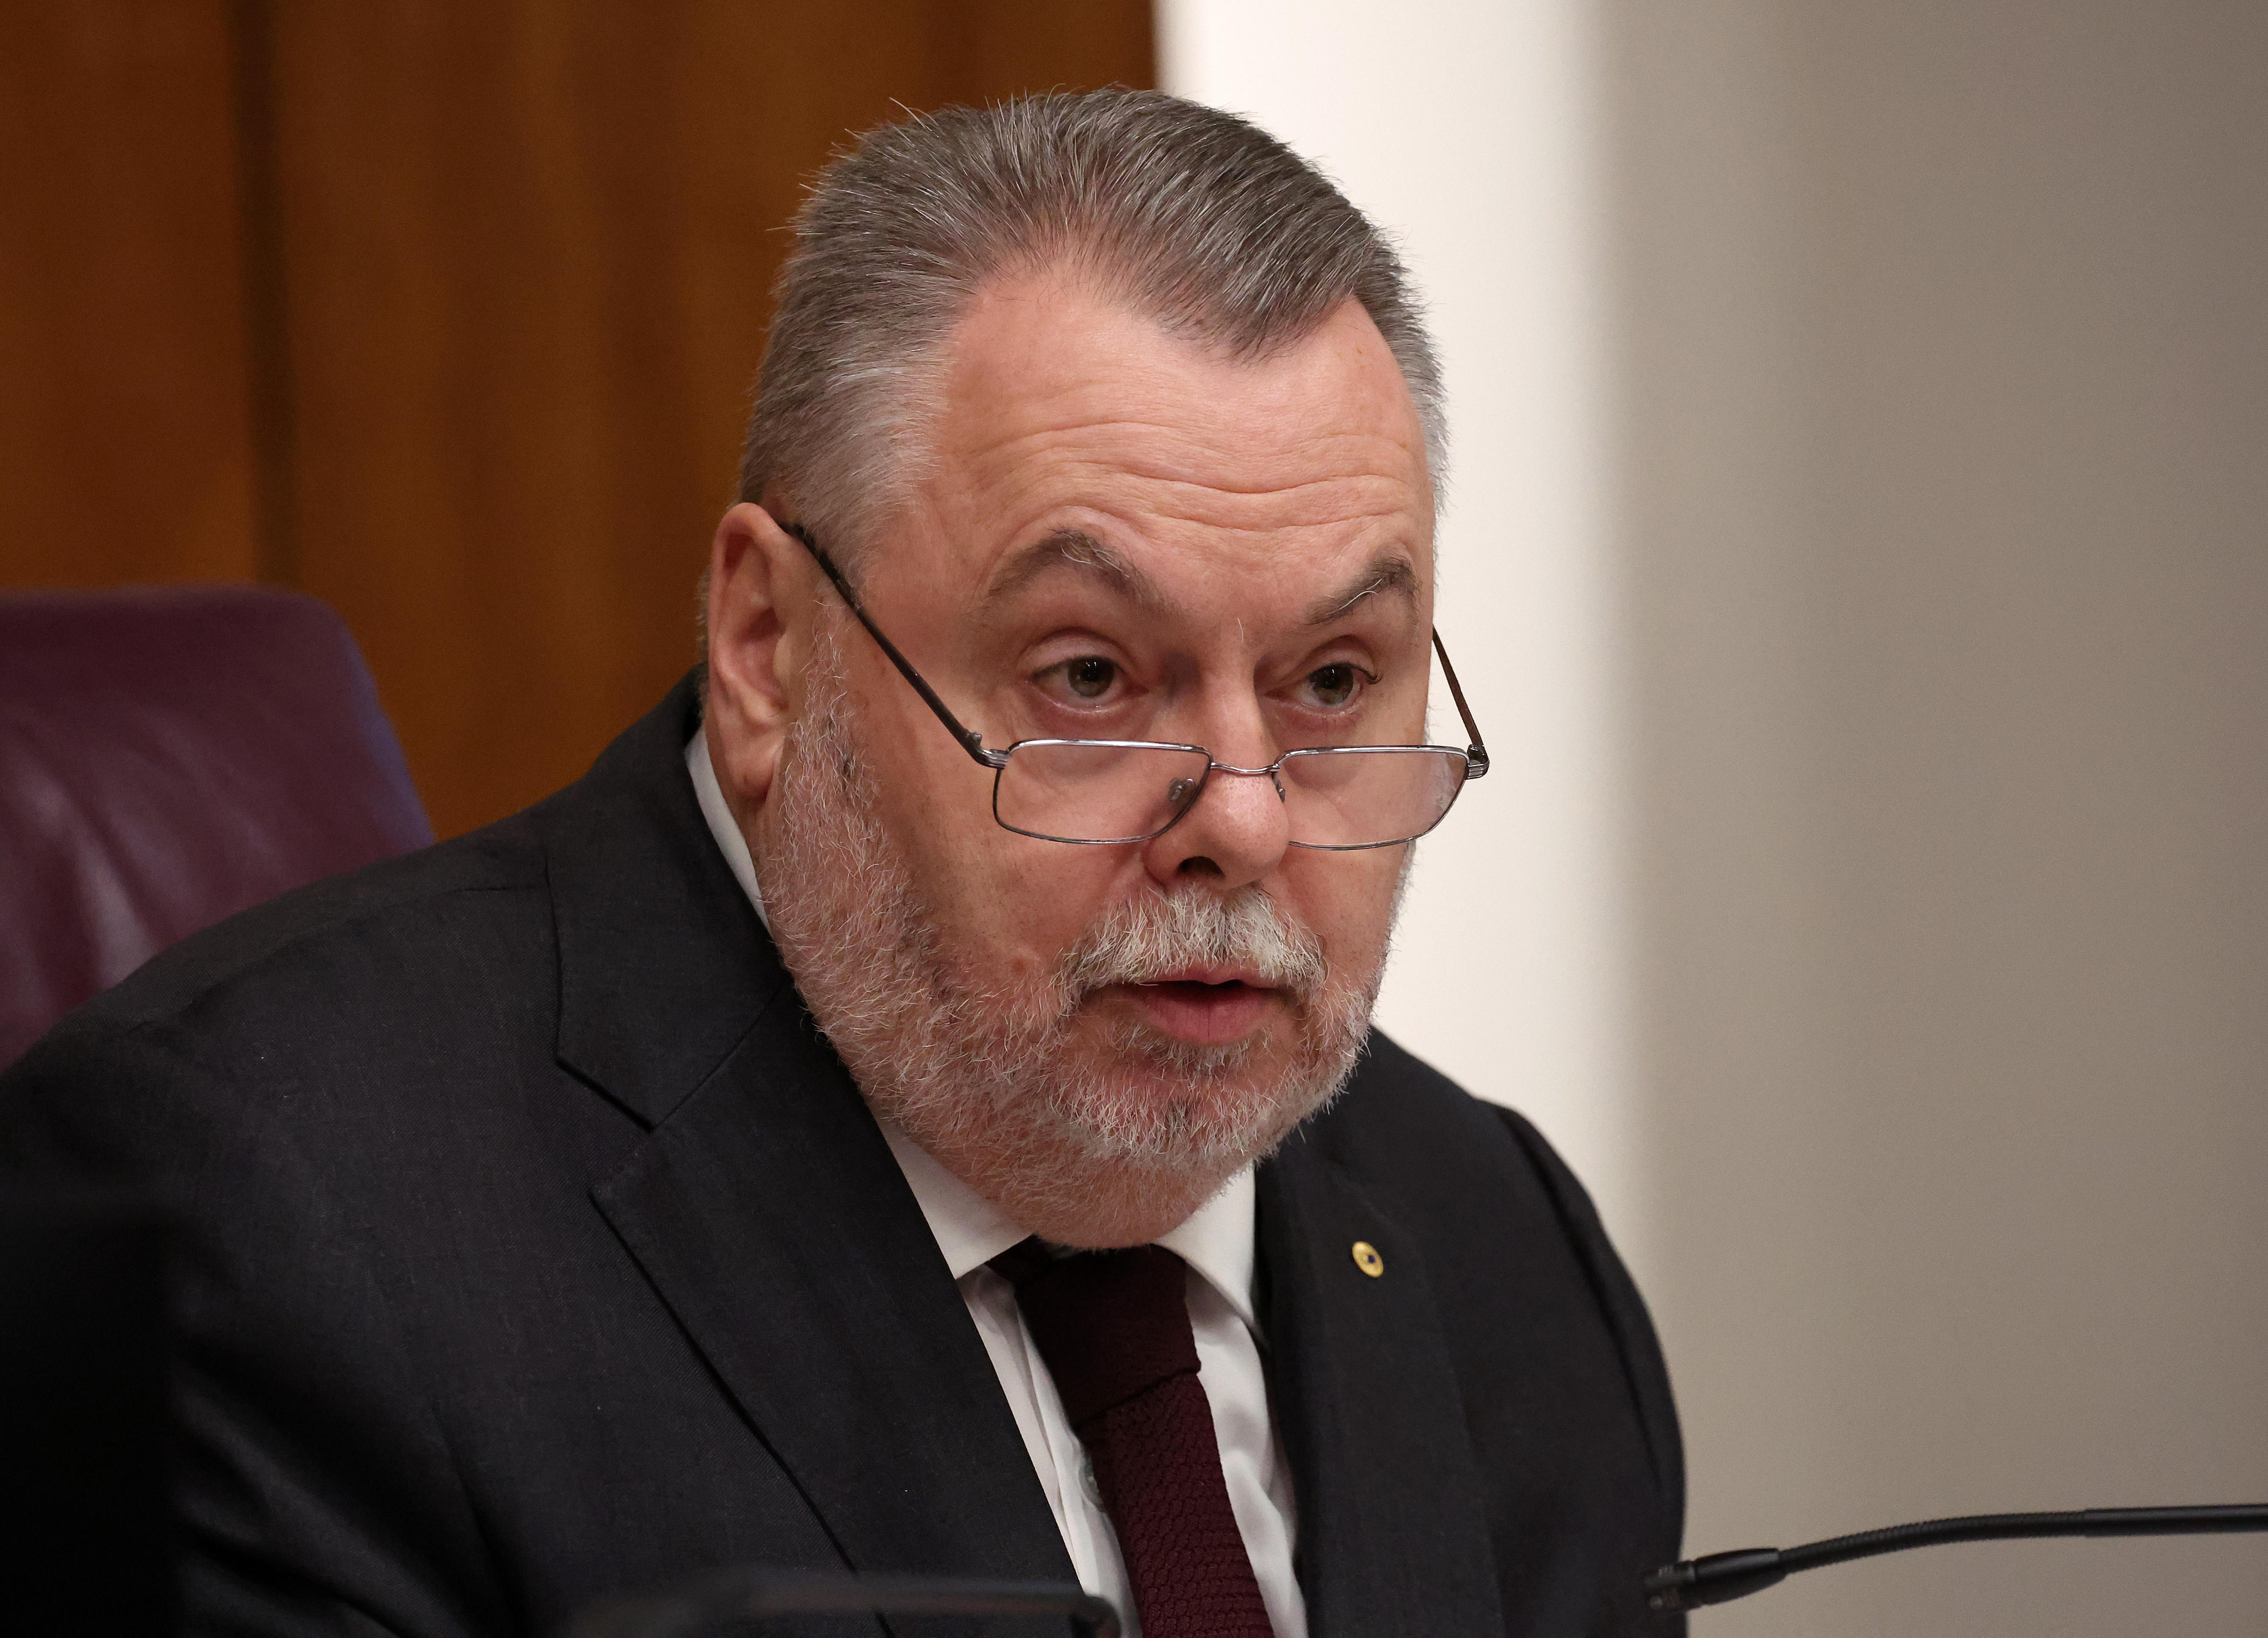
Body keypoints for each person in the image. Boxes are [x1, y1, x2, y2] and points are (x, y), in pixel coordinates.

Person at [0, 91, 1681, 1637]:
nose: (1242, 817)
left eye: (1331, 683)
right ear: (768, 650)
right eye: (1088, 677)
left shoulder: (1500, 1255)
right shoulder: (251, 1232)